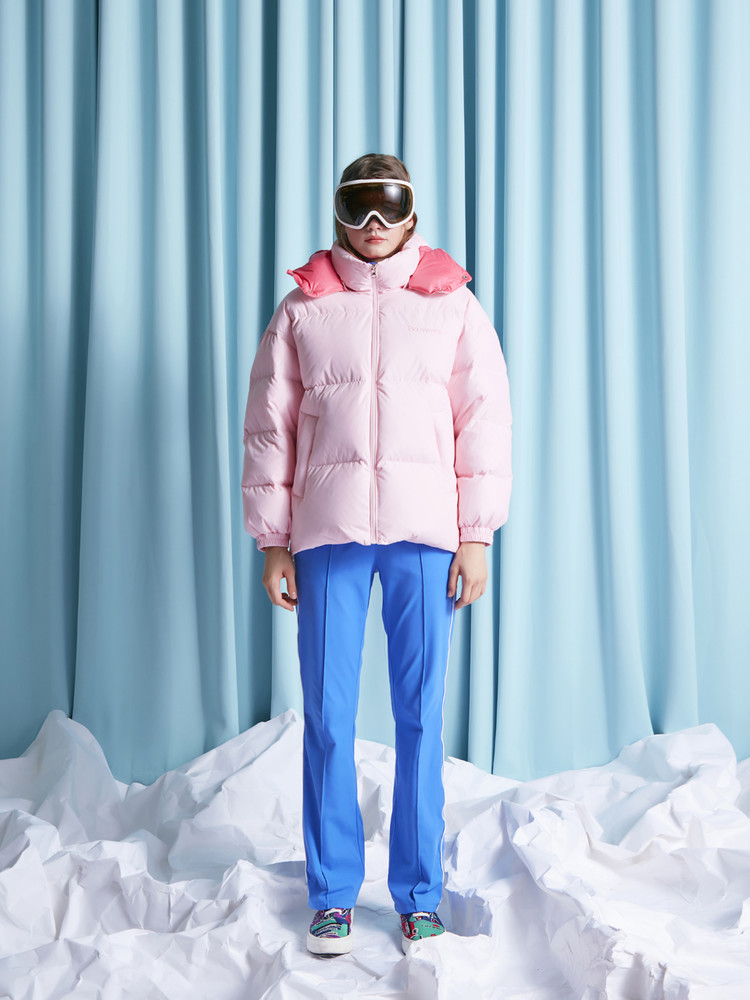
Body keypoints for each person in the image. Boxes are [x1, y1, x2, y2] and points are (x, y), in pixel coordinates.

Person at [241, 153, 512, 956]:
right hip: (326, 537)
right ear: (338, 214)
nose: (372, 224)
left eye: (387, 206)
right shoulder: (302, 308)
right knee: (328, 717)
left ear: (412, 216)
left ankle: (418, 896)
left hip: (424, 538)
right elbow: (269, 429)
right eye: (357, 206)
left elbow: (484, 419)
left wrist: (476, 535)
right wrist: (272, 541)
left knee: (419, 715)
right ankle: (332, 897)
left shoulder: (452, 303)